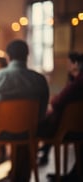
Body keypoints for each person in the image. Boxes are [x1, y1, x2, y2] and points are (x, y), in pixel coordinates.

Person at [0, 40, 49, 181]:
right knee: (24, 134)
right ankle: (19, 174)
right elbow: (41, 113)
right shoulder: (40, 79)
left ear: (8, 57)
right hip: (29, 132)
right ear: (27, 56)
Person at [38, 51, 83, 181]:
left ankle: (30, 164)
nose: (66, 65)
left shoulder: (77, 84)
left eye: (68, 63)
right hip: (78, 128)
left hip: (64, 130)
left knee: (36, 126)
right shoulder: (77, 81)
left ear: (75, 64)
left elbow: (57, 101)